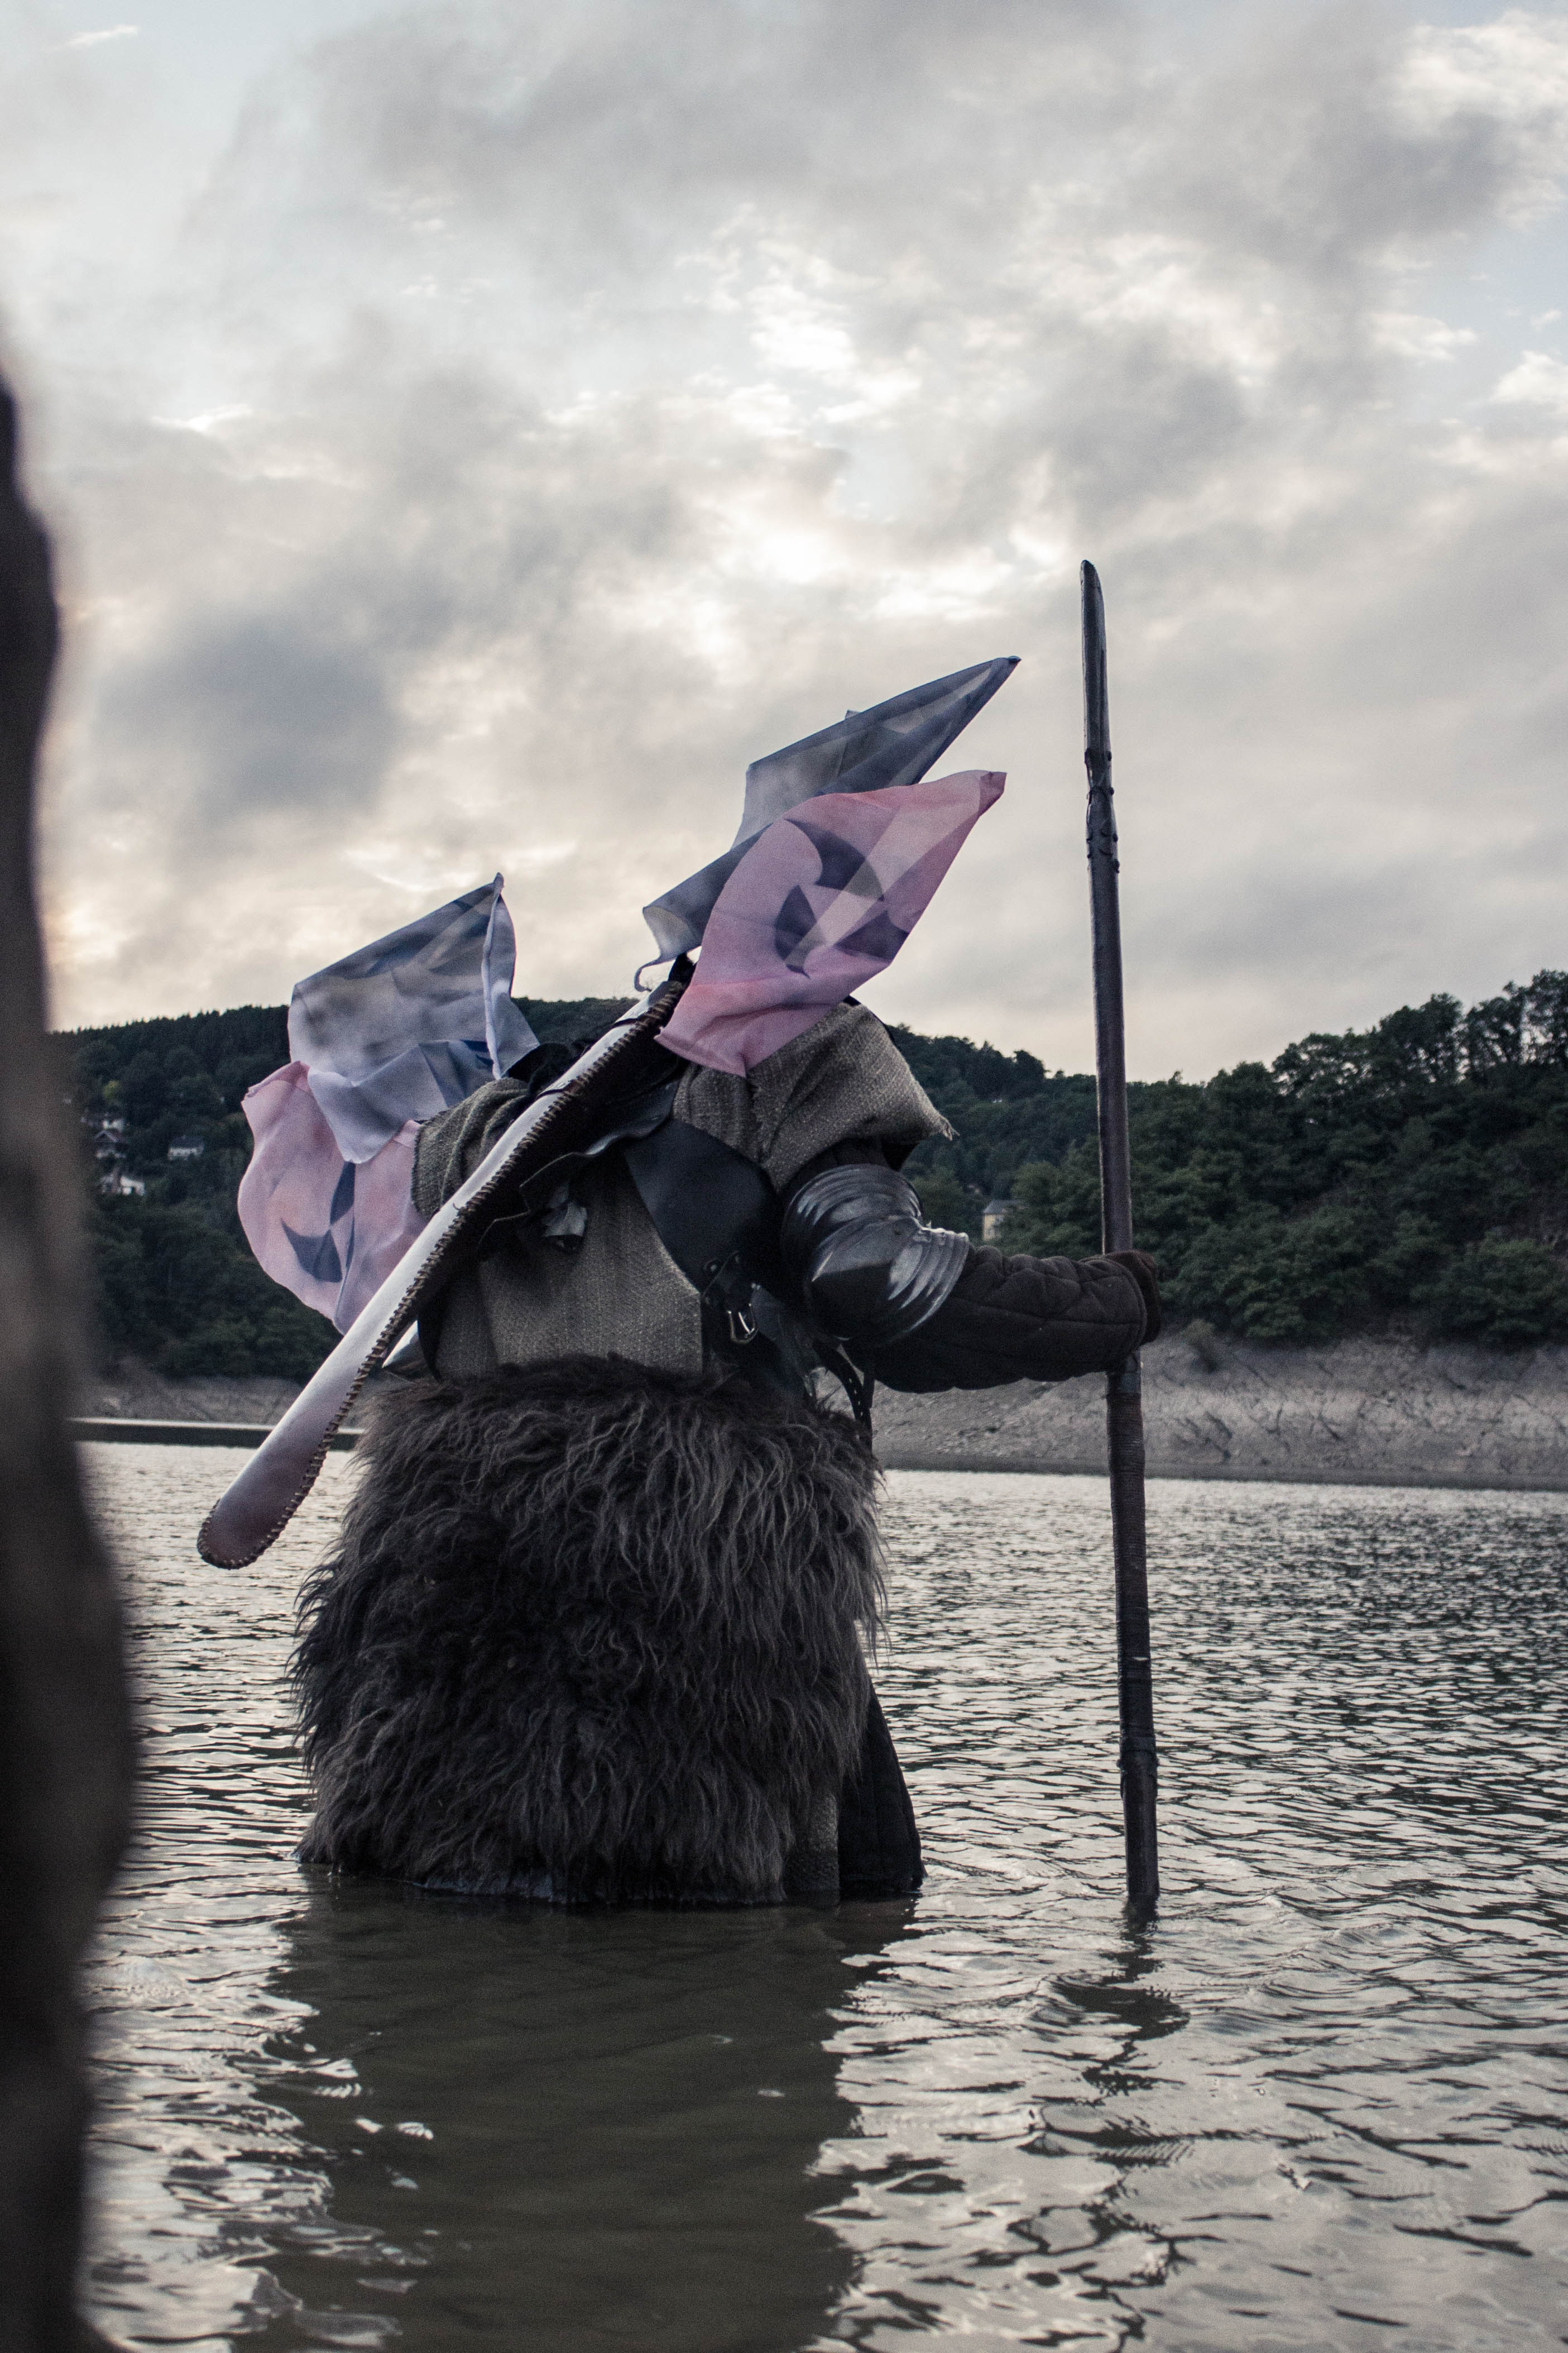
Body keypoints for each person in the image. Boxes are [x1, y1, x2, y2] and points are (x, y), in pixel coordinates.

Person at [291, 992, 1161, 1906]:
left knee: (426, 1928)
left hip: (431, 1641)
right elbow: (877, 1278)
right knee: (736, 1943)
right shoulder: (779, 1060)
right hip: (688, 1630)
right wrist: (1118, 1300)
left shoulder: (474, 1126)